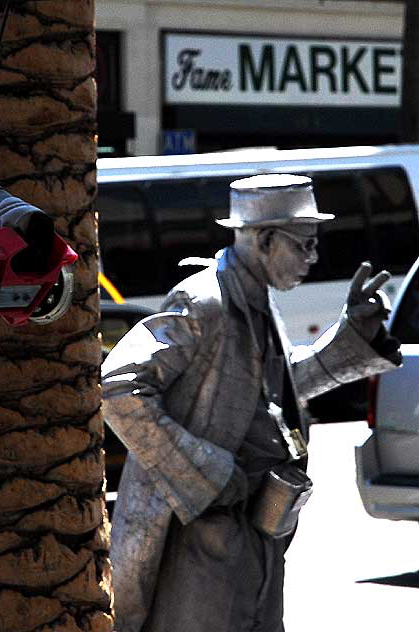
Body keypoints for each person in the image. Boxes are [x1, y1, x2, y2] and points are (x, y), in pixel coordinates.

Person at [102, 174, 401, 632]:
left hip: (254, 534)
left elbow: (272, 392)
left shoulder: (257, 301)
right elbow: (118, 387)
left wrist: (352, 337)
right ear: (264, 240)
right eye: (304, 245)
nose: (313, 258)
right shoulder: (204, 302)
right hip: (202, 540)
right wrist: (209, 470)